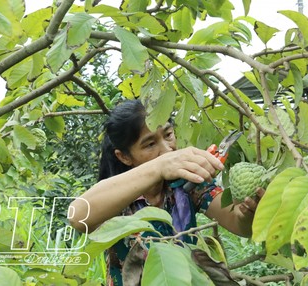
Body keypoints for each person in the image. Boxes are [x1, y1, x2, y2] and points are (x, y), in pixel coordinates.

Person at [69, 99, 262, 285]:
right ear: (125, 157)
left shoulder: (187, 183)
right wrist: (159, 166)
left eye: (168, 135)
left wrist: (247, 211)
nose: (167, 150)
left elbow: (239, 225)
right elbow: (78, 216)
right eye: (150, 144)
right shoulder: (118, 194)